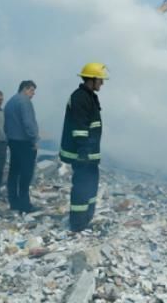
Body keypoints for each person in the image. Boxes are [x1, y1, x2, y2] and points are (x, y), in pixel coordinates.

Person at [60, 62, 107, 232]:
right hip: (83, 155)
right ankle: (78, 223)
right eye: (100, 80)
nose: (102, 83)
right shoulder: (80, 97)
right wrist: (84, 153)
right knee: (82, 187)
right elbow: (80, 129)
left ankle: (87, 217)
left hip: (89, 154)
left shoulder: (89, 96)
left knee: (91, 186)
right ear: (92, 80)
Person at [4, 80, 39, 213]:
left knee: (14, 173)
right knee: (26, 174)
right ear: (25, 89)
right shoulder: (24, 101)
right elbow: (28, 123)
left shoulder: (10, 102)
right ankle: (25, 205)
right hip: (25, 143)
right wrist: (34, 139)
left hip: (13, 142)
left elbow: (5, 125)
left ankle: (14, 202)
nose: (33, 94)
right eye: (32, 90)